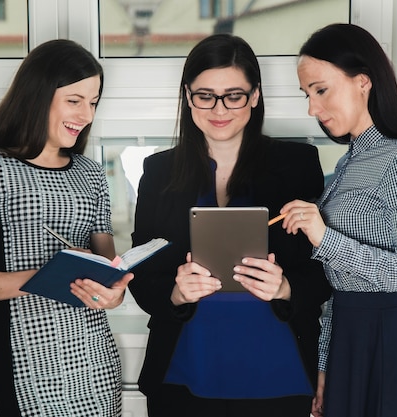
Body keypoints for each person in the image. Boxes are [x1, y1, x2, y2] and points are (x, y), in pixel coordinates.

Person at [127, 33, 331, 417]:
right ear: (188, 96)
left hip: (278, 373)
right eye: (205, 95)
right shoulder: (158, 172)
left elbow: (326, 269)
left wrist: (286, 287)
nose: (219, 108)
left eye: (233, 95)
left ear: (255, 95)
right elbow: (142, 271)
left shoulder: (297, 164)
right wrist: (175, 293)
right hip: (184, 373)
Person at [278, 23, 397, 417]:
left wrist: (323, 236)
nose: (312, 109)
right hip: (352, 342)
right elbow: (339, 286)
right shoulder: (349, 163)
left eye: (320, 90)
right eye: (307, 95)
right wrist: (325, 366)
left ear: (362, 81)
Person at [0, 39, 133, 417]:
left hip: (96, 362)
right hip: (28, 362)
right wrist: (48, 277)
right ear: (38, 94)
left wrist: (115, 294)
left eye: (93, 102)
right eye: (74, 100)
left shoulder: (91, 175)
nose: (86, 114)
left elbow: (110, 270)